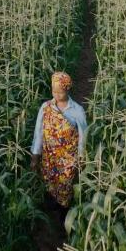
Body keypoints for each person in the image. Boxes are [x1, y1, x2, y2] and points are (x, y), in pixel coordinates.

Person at [30, 71, 88, 225]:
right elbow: (38, 133)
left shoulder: (77, 111)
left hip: (68, 159)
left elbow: (83, 136)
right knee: (50, 183)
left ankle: (64, 217)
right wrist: (35, 155)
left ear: (67, 89)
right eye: (53, 91)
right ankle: (52, 210)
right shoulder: (45, 108)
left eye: (60, 91)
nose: (56, 94)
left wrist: (82, 157)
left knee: (66, 186)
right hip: (50, 157)